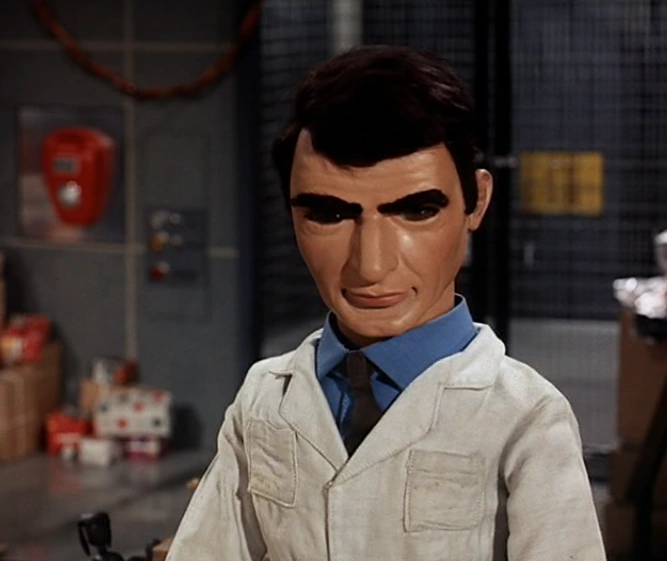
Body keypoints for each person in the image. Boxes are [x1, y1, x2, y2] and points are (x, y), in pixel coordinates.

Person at [167, 45, 606, 561]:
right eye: (329, 215)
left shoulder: (523, 415)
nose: (371, 266)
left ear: (477, 202)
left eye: (416, 211)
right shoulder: (265, 397)